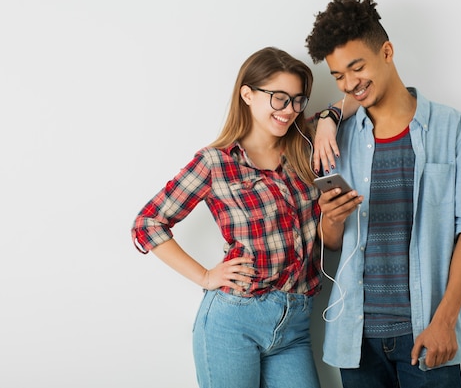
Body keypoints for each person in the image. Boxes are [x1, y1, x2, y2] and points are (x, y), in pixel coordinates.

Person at [305, 0, 461, 387]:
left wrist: (445, 321)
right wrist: (330, 220)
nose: (350, 84)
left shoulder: (450, 128)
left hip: (427, 333)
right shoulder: (338, 138)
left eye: (357, 68)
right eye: (338, 76)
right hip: (357, 340)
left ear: (386, 52)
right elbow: (333, 243)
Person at [131, 47, 323, 388]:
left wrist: (330, 120)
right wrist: (206, 276)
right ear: (247, 94)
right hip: (235, 321)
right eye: (279, 98)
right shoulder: (215, 163)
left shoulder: (302, 147)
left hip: (296, 323)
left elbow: (352, 102)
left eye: (297, 100)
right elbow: (148, 224)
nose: (290, 110)